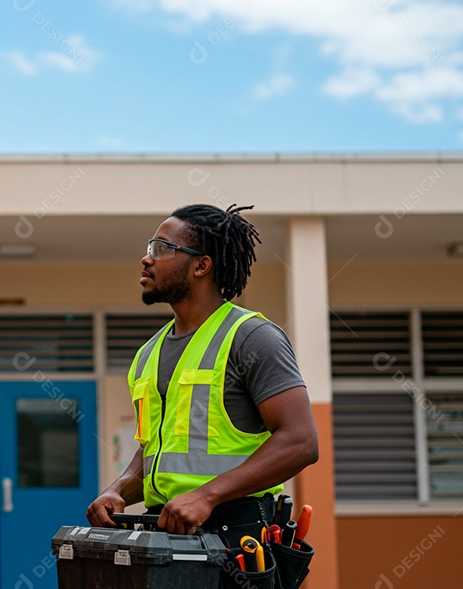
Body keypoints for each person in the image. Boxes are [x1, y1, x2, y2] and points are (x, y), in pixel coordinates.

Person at [87, 204, 319, 545]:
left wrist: (206, 496)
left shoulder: (252, 337)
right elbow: (155, 449)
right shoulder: (148, 353)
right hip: (164, 532)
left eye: (161, 249)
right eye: (149, 247)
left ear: (201, 265)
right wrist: (118, 489)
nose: (146, 258)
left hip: (237, 535)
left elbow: (301, 442)